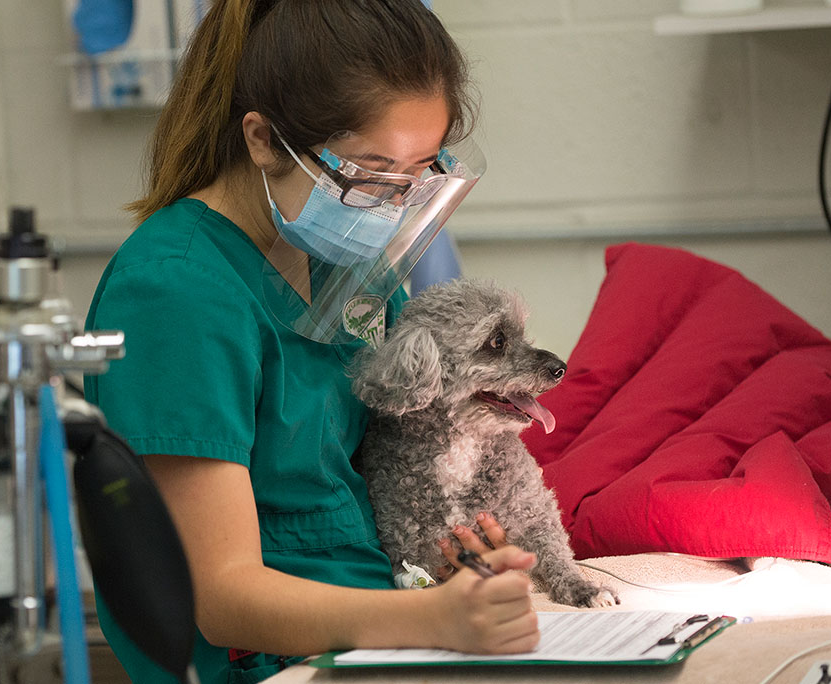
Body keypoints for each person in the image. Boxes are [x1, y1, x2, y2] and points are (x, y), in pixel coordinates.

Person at [84, 1, 540, 682]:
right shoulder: (174, 290)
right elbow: (219, 597)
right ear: (264, 139)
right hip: (259, 664)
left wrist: (448, 567)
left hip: (366, 635)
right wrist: (434, 621)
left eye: (419, 172)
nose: (394, 204)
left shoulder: (347, 268)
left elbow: (352, 489)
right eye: (370, 173)